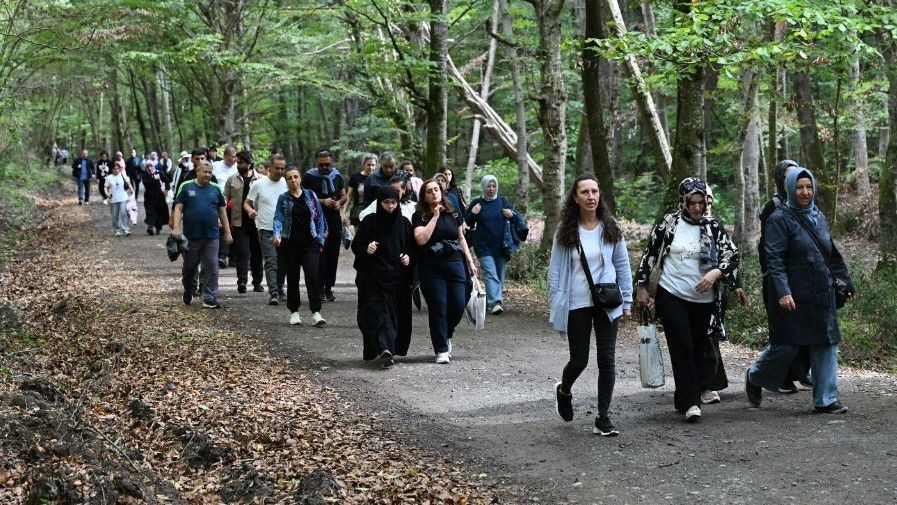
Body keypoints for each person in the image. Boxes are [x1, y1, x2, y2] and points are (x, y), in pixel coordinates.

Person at [745, 168, 854, 414]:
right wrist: (783, 292)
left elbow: (831, 254)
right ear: (789, 189)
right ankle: (755, 376)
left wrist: (845, 281)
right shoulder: (778, 219)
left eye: (808, 187)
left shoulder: (819, 216)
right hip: (793, 293)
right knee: (786, 345)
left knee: (826, 342)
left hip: (821, 291)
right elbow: (774, 259)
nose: (805, 192)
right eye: (799, 187)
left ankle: (826, 399)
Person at [634, 177, 739, 423]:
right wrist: (641, 287)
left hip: (703, 301)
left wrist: (715, 273)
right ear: (683, 201)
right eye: (692, 203)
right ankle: (691, 402)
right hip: (671, 293)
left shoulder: (713, 225)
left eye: (702, 202)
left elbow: (732, 255)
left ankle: (683, 398)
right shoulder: (669, 223)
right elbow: (650, 253)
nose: (697, 207)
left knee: (698, 347)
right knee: (682, 345)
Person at [549, 176, 632, 436]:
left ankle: (603, 417)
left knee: (607, 359)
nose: (590, 196)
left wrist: (627, 301)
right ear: (575, 198)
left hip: (607, 302)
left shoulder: (610, 226)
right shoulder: (565, 230)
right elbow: (555, 271)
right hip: (576, 303)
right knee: (579, 360)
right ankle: (564, 391)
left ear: (600, 195)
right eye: (584, 192)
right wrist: (555, 302)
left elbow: (622, 265)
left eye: (594, 191)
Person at [758, 159, 813, 394]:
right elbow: (767, 247)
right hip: (779, 277)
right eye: (789, 176)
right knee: (784, 333)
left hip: (803, 279)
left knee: (806, 328)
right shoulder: (773, 206)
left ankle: (798, 372)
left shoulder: (807, 206)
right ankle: (777, 377)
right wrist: (772, 276)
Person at [412, 179, 478, 364]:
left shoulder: (453, 212)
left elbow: (461, 238)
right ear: (424, 196)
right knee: (438, 306)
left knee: (458, 303)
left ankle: (447, 334)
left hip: (455, 263)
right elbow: (420, 239)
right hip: (431, 266)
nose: (434, 193)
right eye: (429, 191)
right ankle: (441, 349)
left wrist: (470, 261)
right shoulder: (420, 215)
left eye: (436, 189)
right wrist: (434, 216)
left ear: (441, 192)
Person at [353, 186, 413, 368]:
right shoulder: (370, 221)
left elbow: (411, 247)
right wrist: (367, 248)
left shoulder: (404, 223)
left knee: (394, 314)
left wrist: (407, 257)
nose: (390, 206)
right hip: (372, 275)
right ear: (379, 203)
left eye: (394, 202)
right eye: (386, 202)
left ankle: (387, 349)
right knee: (376, 312)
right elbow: (356, 245)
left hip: (397, 278)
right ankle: (384, 349)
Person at [698, 185, 747, 405]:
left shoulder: (715, 226)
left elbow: (728, 257)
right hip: (689, 291)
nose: (706, 206)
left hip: (715, 293)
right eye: (702, 201)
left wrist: (735, 285)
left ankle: (709, 383)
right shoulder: (680, 226)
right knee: (702, 337)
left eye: (709, 201)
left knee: (710, 336)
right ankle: (704, 384)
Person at [171, 161, 233, 309]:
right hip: (191, 236)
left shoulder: (216, 188)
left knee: (212, 266)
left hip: (212, 235)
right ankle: (188, 288)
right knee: (189, 267)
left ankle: (210, 297)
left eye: (210, 172)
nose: (207, 175)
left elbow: (222, 211)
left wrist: (227, 232)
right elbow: (178, 208)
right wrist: (176, 227)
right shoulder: (186, 186)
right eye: (205, 172)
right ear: (197, 172)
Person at [273, 167, 328, 327]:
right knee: (293, 277)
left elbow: (319, 218)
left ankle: (316, 312)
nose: (293, 180)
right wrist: (277, 233)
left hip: (310, 243)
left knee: (312, 276)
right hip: (290, 244)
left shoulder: (311, 195)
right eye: (289, 178)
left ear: (300, 178)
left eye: (296, 177)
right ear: (286, 181)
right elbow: (278, 217)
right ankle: (294, 312)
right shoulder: (283, 198)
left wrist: (320, 239)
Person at [465, 175, 522, 315]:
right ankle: (496, 302)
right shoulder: (477, 203)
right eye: (488, 186)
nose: (491, 189)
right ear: (484, 187)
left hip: (501, 246)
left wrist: (511, 215)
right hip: (483, 245)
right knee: (490, 273)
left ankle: (494, 301)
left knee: (499, 275)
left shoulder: (503, 202)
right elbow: (467, 222)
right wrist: (473, 213)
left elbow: (517, 218)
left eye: (493, 186)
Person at [302, 149, 346, 302]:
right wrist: (322, 201)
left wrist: (339, 203)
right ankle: (319, 288)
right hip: (316, 221)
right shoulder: (309, 177)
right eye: (321, 165)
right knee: (319, 254)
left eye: (327, 164)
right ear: (316, 163)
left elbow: (343, 195)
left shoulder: (336, 175)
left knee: (332, 255)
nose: (325, 167)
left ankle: (328, 288)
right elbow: (304, 197)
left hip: (333, 219)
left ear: (331, 162)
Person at [245, 155, 289, 305]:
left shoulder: (286, 183)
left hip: (285, 230)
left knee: (283, 262)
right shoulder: (259, 184)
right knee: (271, 261)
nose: (280, 171)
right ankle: (274, 293)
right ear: (269, 168)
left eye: (282, 168)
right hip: (266, 228)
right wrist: (250, 210)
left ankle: (280, 289)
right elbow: (247, 203)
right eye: (277, 168)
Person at [224, 151, 264, 293]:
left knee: (257, 252)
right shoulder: (232, 179)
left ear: (249, 163)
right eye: (237, 162)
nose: (238, 165)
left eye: (240, 162)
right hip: (239, 221)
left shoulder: (261, 179)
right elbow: (225, 198)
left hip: (257, 221)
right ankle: (242, 281)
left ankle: (257, 282)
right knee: (242, 252)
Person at [343, 153, 376, 232]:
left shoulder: (377, 178)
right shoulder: (355, 177)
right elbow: (349, 195)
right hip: (358, 211)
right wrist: (343, 212)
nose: (371, 167)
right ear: (363, 164)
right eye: (368, 165)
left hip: (374, 211)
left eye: (373, 165)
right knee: (359, 236)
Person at [104, 159, 133, 236]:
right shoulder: (109, 177)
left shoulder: (123, 175)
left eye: (118, 168)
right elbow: (105, 187)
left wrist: (132, 192)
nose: (116, 170)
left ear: (120, 169)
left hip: (123, 198)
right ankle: (117, 230)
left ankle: (126, 229)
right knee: (115, 215)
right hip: (113, 199)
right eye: (114, 169)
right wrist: (106, 193)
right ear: (112, 169)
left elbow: (129, 184)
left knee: (124, 213)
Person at [141, 158, 170, 235]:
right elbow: (147, 184)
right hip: (149, 196)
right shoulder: (144, 175)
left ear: (153, 166)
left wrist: (166, 191)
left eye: (151, 166)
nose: (149, 168)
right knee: (150, 211)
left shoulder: (159, 173)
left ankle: (158, 227)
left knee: (159, 211)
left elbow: (167, 181)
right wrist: (154, 178)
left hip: (159, 196)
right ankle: (150, 227)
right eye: (147, 166)